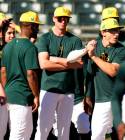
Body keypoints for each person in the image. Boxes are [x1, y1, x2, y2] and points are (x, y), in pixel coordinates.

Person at [34, 6, 83, 140]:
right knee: (43, 129)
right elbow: (44, 64)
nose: (63, 21)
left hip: (68, 90)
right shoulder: (45, 38)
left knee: (64, 131)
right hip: (49, 88)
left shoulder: (75, 40)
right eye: (60, 18)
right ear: (54, 19)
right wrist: (68, 63)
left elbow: (80, 64)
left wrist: (54, 59)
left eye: (66, 19)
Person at [85, 18, 125, 140]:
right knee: (97, 136)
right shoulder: (94, 45)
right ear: (103, 32)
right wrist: (88, 95)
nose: (116, 34)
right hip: (101, 99)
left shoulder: (122, 50)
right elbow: (88, 73)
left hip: (120, 99)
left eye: (117, 31)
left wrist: (93, 56)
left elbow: (113, 71)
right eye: (112, 31)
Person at [1, 11, 40, 140]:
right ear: (30, 26)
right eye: (36, 26)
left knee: (21, 133)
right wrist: (36, 95)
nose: (38, 29)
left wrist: (7, 89)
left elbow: (3, 72)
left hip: (8, 95)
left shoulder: (8, 46)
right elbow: (31, 74)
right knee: (19, 135)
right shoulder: (30, 47)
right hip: (22, 96)